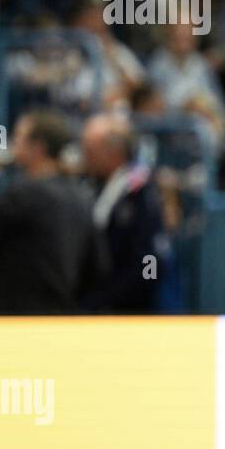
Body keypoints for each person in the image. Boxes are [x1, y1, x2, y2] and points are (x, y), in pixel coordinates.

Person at [0, 111, 105, 313]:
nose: (13, 144)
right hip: (63, 315)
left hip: (21, 318)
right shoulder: (80, 196)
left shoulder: (27, 192)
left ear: (38, 146)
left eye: (19, 137)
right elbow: (99, 266)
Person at [80, 112, 165, 313]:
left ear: (114, 153)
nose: (85, 159)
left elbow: (151, 258)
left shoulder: (138, 190)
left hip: (127, 309)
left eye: (91, 152)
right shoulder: (91, 186)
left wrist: (145, 289)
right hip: (97, 302)